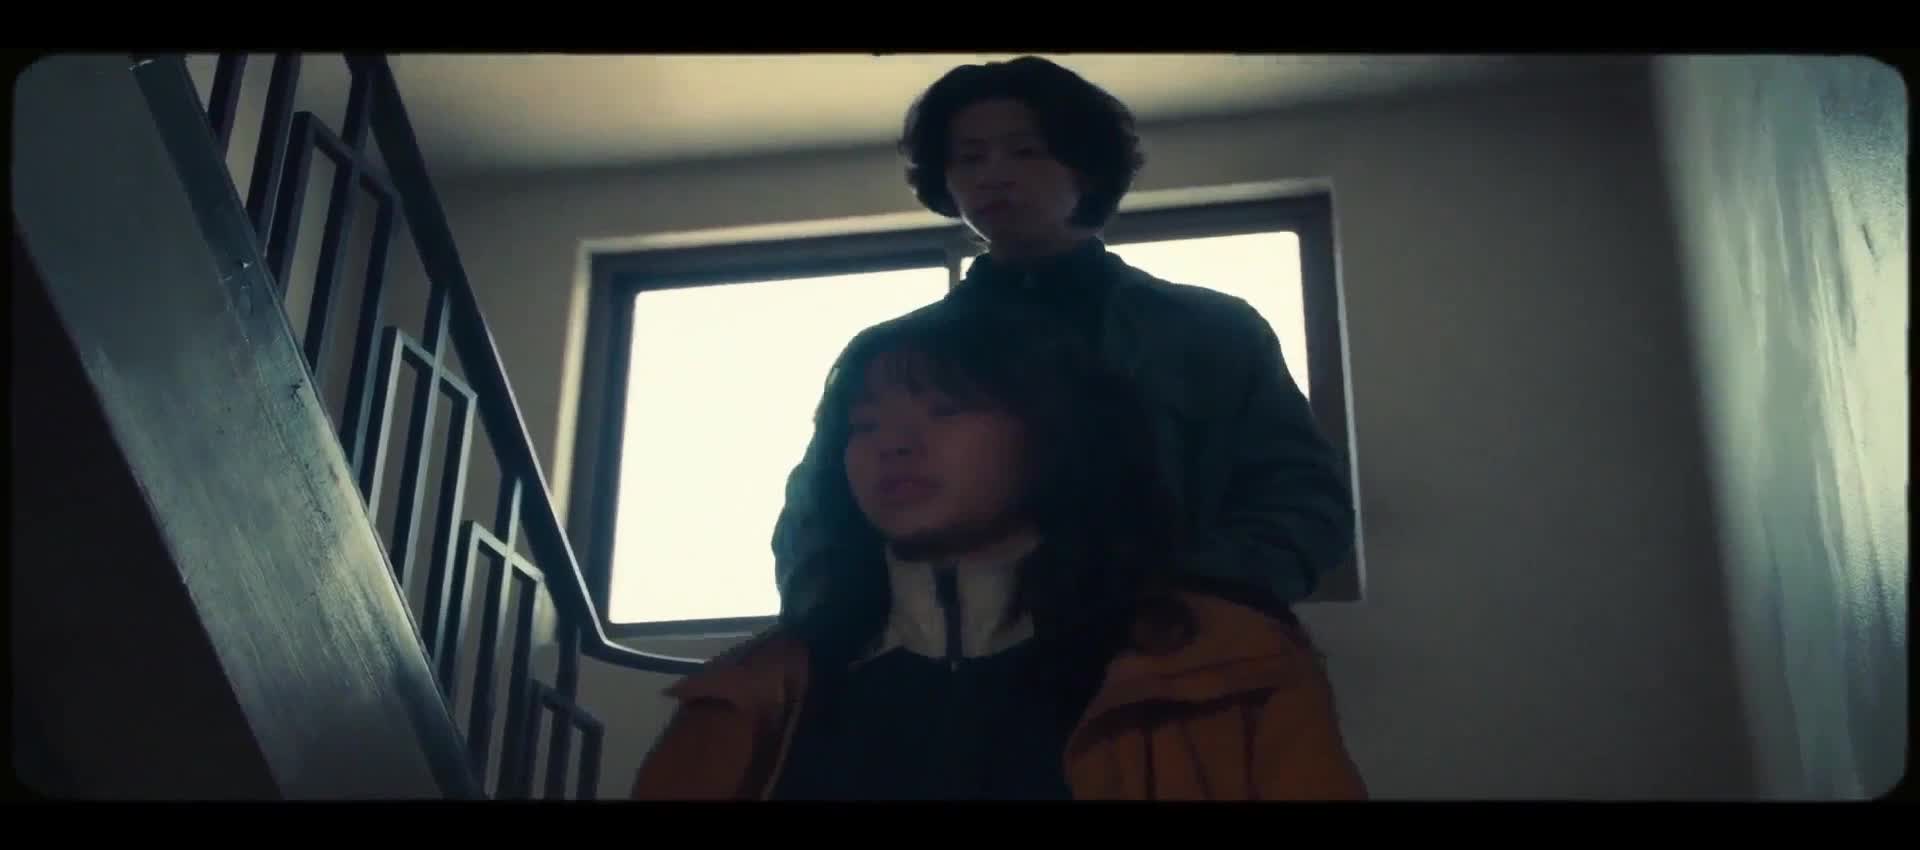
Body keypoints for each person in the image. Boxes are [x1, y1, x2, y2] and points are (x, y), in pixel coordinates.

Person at [630, 306, 1365, 800]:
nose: (893, 444)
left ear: (1056, 438)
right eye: (863, 425)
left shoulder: (1225, 662)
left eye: (945, 410)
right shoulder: (750, 691)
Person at [771, 56, 1355, 627]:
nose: (993, 175)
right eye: (969, 158)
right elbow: (818, 525)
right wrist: (845, 639)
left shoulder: (1208, 330)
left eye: (1025, 151)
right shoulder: (891, 352)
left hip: (1170, 649)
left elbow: (1303, 500)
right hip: (944, 663)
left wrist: (1193, 605)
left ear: (1087, 166)